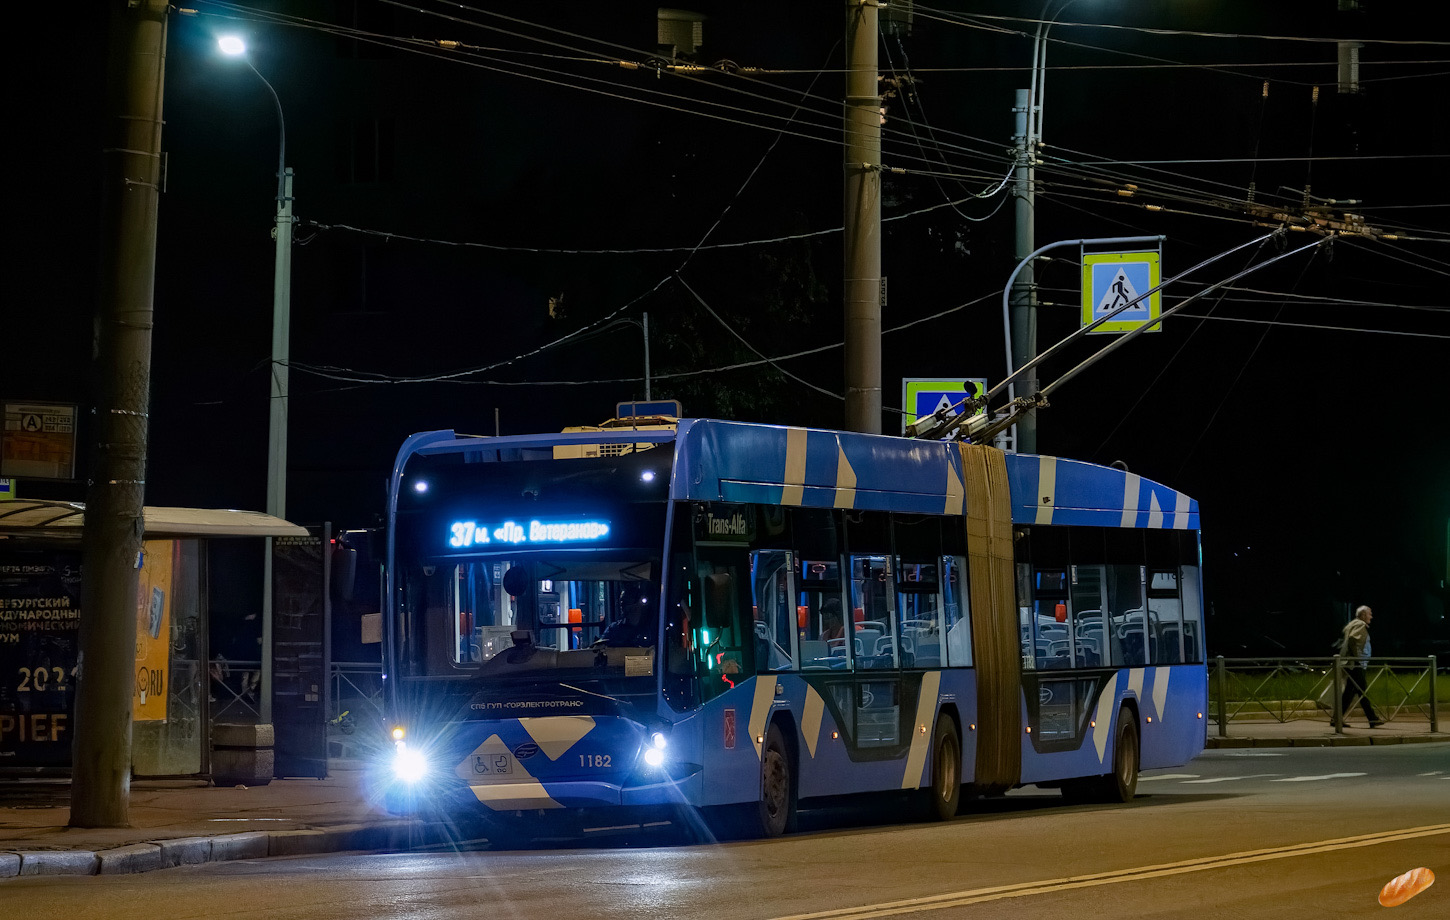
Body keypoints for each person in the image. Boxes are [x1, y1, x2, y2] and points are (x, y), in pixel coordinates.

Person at [1339, 605, 1382, 727]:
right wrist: (1358, 658)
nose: (1371, 617)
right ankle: (1372, 718)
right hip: (1356, 665)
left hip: (1352, 664)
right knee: (1362, 692)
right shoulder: (1360, 625)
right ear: (1363, 614)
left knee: (1349, 693)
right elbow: (1353, 639)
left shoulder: (1353, 623)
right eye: (1369, 614)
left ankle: (1336, 719)